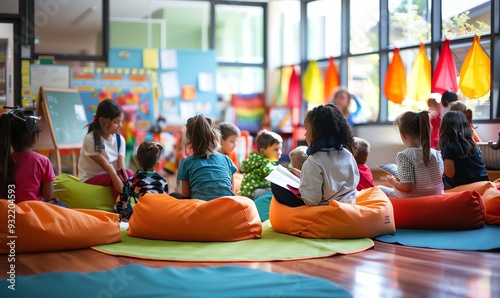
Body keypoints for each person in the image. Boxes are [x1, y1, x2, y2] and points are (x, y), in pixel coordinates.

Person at [271, 104, 359, 207]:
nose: (304, 134)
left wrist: (302, 188)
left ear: (317, 132)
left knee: (276, 185)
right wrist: (303, 175)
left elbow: (312, 201)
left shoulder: (314, 161)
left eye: (306, 129)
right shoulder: (347, 155)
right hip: (349, 205)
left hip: (326, 210)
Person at [0, 107, 65, 206]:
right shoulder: (42, 161)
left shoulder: (3, 159)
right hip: (33, 212)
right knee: (62, 205)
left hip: (8, 212)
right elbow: (48, 194)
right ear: (35, 138)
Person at [379, 110, 444, 198]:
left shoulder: (404, 156)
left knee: (379, 189)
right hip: (435, 197)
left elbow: (407, 188)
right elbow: (437, 176)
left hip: (412, 200)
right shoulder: (436, 154)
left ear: (403, 135)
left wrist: (392, 181)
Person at [78, 99, 134, 199]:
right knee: (114, 178)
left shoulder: (120, 140)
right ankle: (120, 208)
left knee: (129, 173)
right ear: (102, 121)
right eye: (116, 122)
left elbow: (121, 167)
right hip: (91, 177)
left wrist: (127, 182)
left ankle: (131, 202)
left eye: (121, 122)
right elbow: (106, 165)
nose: (120, 126)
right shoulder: (91, 139)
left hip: (110, 174)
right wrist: (118, 182)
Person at [173, 114, 237, 201]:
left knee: (174, 195)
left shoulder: (186, 163)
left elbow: (186, 197)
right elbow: (232, 193)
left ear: (189, 140)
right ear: (214, 137)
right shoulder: (226, 160)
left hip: (201, 210)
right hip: (227, 208)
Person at [115, 140, 169, 220]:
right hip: (161, 218)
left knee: (120, 203)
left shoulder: (132, 181)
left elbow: (123, 202)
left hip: (143, 218)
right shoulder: (163, 181)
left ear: (136, 158)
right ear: (157, 164)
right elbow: (166, 200)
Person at [439, 111, 489, 189]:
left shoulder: (449, 146)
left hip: (465, 187)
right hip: (483, 184)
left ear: (445, 128)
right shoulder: (473, 144)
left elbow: (449, 173)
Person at [240, 130, 283, 199]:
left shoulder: (256, 160)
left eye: (280, 149)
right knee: (275, 192)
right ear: (262, 151)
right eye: (276, 149)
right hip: (254, 191)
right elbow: (269, 171)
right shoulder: (264, 162)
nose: (279, 152)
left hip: (248, 191)